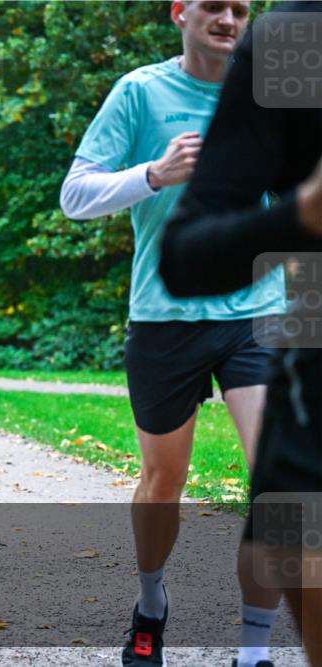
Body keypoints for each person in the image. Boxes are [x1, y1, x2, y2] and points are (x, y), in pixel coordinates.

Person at [59, 3, 289, 666]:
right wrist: (153, 174)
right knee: (164, 484)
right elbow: (75, 195)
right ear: (179, 12)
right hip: (165, 317)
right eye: (212, 5)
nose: (227, 17)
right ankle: (151, 603)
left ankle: (254, 648)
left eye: (240, 8)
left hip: (255, 312)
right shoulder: (139, 91)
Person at [159, 3, 322, 664]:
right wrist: (304, 214)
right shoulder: (291, 39)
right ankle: (171, 611)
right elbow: (186, 253)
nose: (228, 18)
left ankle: (250, 651)